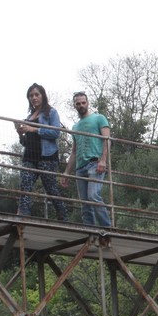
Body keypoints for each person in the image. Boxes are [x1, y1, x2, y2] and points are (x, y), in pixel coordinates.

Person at [14, 83, 68, 221]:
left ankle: (63, 217)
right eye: (31, 95)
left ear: (43, 96)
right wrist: (20, 133)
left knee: (51, 189)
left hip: (47, 157)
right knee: (25, 186)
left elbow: (56, 133)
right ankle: (23, 216)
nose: (34, 97)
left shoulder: (51, 112)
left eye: (36, 94)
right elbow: (25, 142)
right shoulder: (29, 117)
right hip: (29, 157)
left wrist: (34, 129)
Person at [60, 91, 112, 227]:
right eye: (78, 103)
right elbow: (74, 151)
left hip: (95, 163)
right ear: (75, 106)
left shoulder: (99, 118)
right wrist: (66, 172)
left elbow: (107, 140)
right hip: (80, 168)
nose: (81, 105)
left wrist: (103, 160)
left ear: (88, 103)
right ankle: (90, 231)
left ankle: (107, 229)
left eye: (83, 102)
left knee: (93, 196)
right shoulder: (75, 127)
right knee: (84, 204)